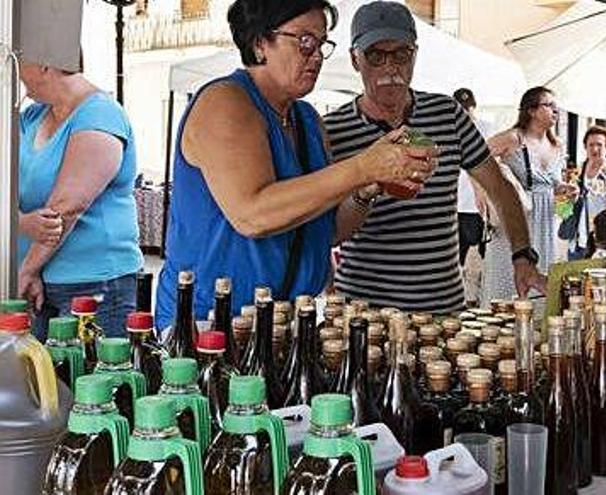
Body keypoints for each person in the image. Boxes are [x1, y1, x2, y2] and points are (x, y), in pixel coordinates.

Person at [155, 0, 434, 328]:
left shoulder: (307, 121)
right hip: (212, 323)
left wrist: (365, 189)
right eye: (304, 41)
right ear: (260, 44)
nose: (315, 55)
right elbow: (253, 214)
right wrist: (362, 167)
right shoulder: (226, 102)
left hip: (284, 321)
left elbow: (326, 231)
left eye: (320, 44)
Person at [324, 1, 544, 314]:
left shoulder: (448, 114)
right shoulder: (333, 131)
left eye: (401, 54)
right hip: (364, 313)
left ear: (414, 54)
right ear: (355, 60)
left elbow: (499, 188)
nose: (390, 68)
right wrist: (369, 184)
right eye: (376, 55)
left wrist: (523, 255)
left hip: (442, 310)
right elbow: (330, 231)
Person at [17, 51, 143, 338]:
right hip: (39, 284)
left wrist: (27, 270)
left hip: (96, 286)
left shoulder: (100, 114)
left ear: (44, 63)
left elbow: (67, 206)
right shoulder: (31, 117)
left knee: (91, 379)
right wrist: (21, 223)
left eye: (18, 62)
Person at [488, 87, 578, 275]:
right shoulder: (514, 138)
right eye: (549, 105)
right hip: (516, 222)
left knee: (541, 286)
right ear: (531, 110)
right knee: (508, 284)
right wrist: (481, 193)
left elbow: (561, 207)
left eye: (556, 106)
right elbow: (475, 156)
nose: (556, 110)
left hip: (546, 226)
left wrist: (567, 195)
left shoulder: (558, 146)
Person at [568, 125, 606, 260]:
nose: (595, 149)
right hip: (579, 233)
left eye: (599, 145)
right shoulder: (583, 166)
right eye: (591, 145)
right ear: (585, 147)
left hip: (601, 239)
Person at [453, 88, 489, 266]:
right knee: (456, 258)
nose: (465, 112)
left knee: (487, 255)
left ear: (474, 107)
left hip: (482, 207)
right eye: (461, 108)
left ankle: (486, 290)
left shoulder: (487, 129)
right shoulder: (448, 131)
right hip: (457, 206)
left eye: (468, 108)